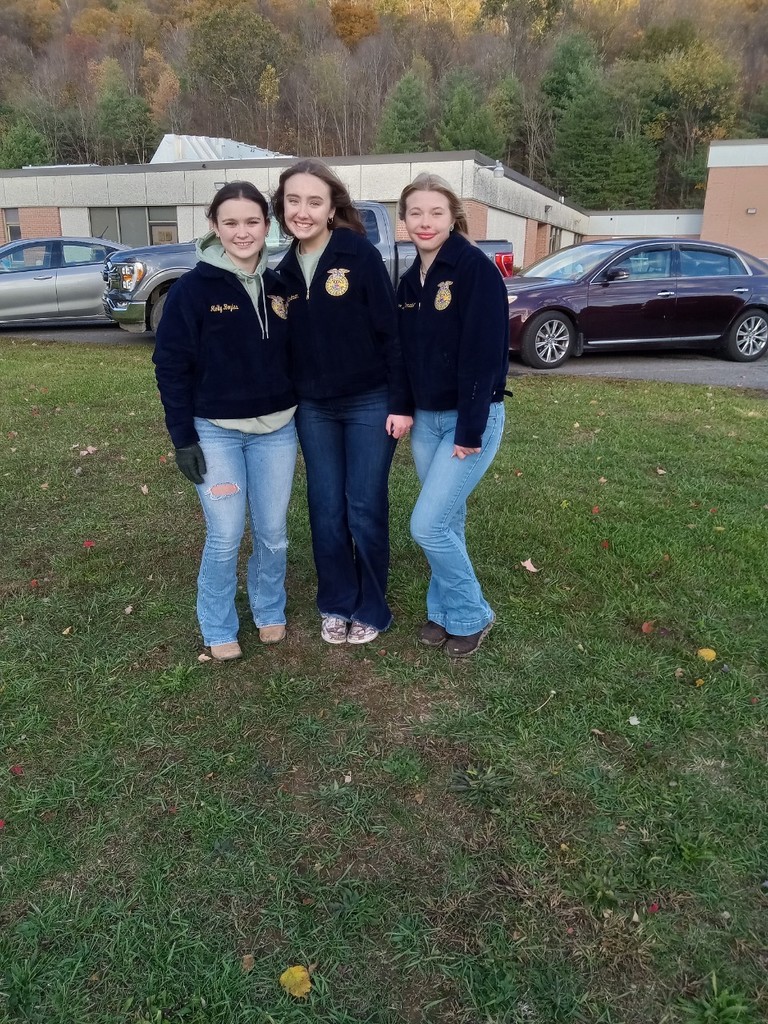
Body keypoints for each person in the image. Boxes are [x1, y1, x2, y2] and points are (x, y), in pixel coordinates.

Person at [153, 181, 297, 661]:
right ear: (214, 226)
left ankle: (269, 608)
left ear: (267, 225)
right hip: (214, 432)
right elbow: (170, 366)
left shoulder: (281, 286)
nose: (242, 232)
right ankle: (218, 625)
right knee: (226, 534)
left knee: (273, 532)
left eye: (252, 221)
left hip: (278, 429)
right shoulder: (192, 290)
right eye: (231, 222)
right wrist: (182, 438)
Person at [271, 159, 413, 645]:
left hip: (370, 402)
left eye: (314, 201)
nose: (303, 210)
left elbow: (391, 333)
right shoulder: (283, 272)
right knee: (325, 505)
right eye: (293, 200)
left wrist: (400, 401)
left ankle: (372, 605)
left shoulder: (358, 254)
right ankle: (336, 600)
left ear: (332, 208)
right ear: (281, 207)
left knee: (364, 504)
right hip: (314, 408)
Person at [396, 173, 509, 658]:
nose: (425, 222)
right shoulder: (407, 281)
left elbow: (484, 356)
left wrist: (470, 429)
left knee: (426, 525)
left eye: (435, 212)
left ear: (453, 217)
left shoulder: (474, 270)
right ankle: (442, 613)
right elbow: (399, 354)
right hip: (425, 420)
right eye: (416, 213)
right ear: (403, 220)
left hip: (469, 421)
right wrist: (402, 406)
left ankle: (472, 614)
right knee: (448, 519)